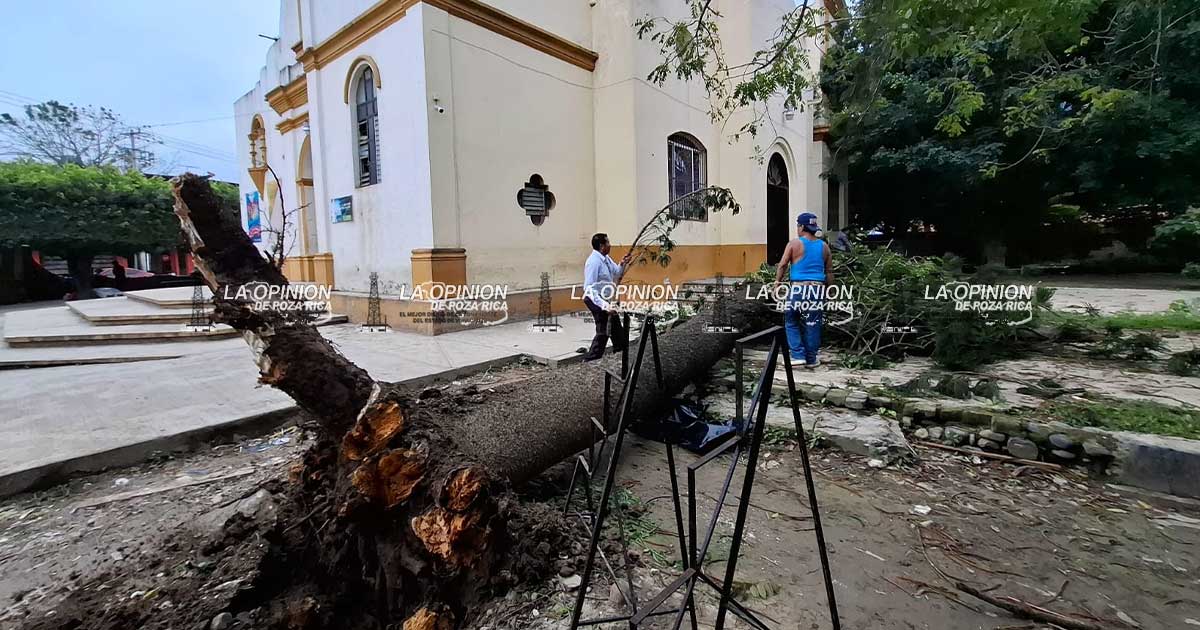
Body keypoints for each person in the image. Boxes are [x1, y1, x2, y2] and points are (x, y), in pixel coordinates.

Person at [775, 212, 834, 368]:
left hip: (798, 289)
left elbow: (782, 265)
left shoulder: (794, 244)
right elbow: (829, 272)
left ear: (801, 227)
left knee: (791, 320)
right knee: (813, 322)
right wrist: (830, 290)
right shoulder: (824, 246)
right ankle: (811, 359)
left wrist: (777, 283)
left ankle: (797, 355)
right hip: (817, 290)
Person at [582, 233, 632, 361]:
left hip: (605, 298)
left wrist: (623, 263)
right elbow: (589, 288)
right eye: (608, 243)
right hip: (595, 299)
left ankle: (620, 354)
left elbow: (617, 272)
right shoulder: (593, 262)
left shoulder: (606, 259)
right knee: (603, 331)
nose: (610, 245)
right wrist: (604, 306)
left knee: (615, 327)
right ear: (602, 246)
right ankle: (591, 360)